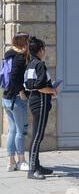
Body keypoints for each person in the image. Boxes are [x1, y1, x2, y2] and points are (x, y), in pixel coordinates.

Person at [24, 37, 58, 180]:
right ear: (40, 51)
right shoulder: (39, 65)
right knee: (38, 136)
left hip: (34, 100)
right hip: (41, 101)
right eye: (43, 49)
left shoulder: (30, 64)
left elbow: (28, 85)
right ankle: (32, 170)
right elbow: (39, 86)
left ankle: (37, 165)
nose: (44, 51)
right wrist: (52, 91)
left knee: (37, 135)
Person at [2, 32, 30, 172]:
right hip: (16, 99)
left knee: (12, 130)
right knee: (20, 131)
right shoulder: (19, 57)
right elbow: (14, 76)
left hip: (6, 98)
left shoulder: (9, 54)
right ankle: (21, 161)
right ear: (24, 43)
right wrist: (21, 92)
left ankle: (11, 162)